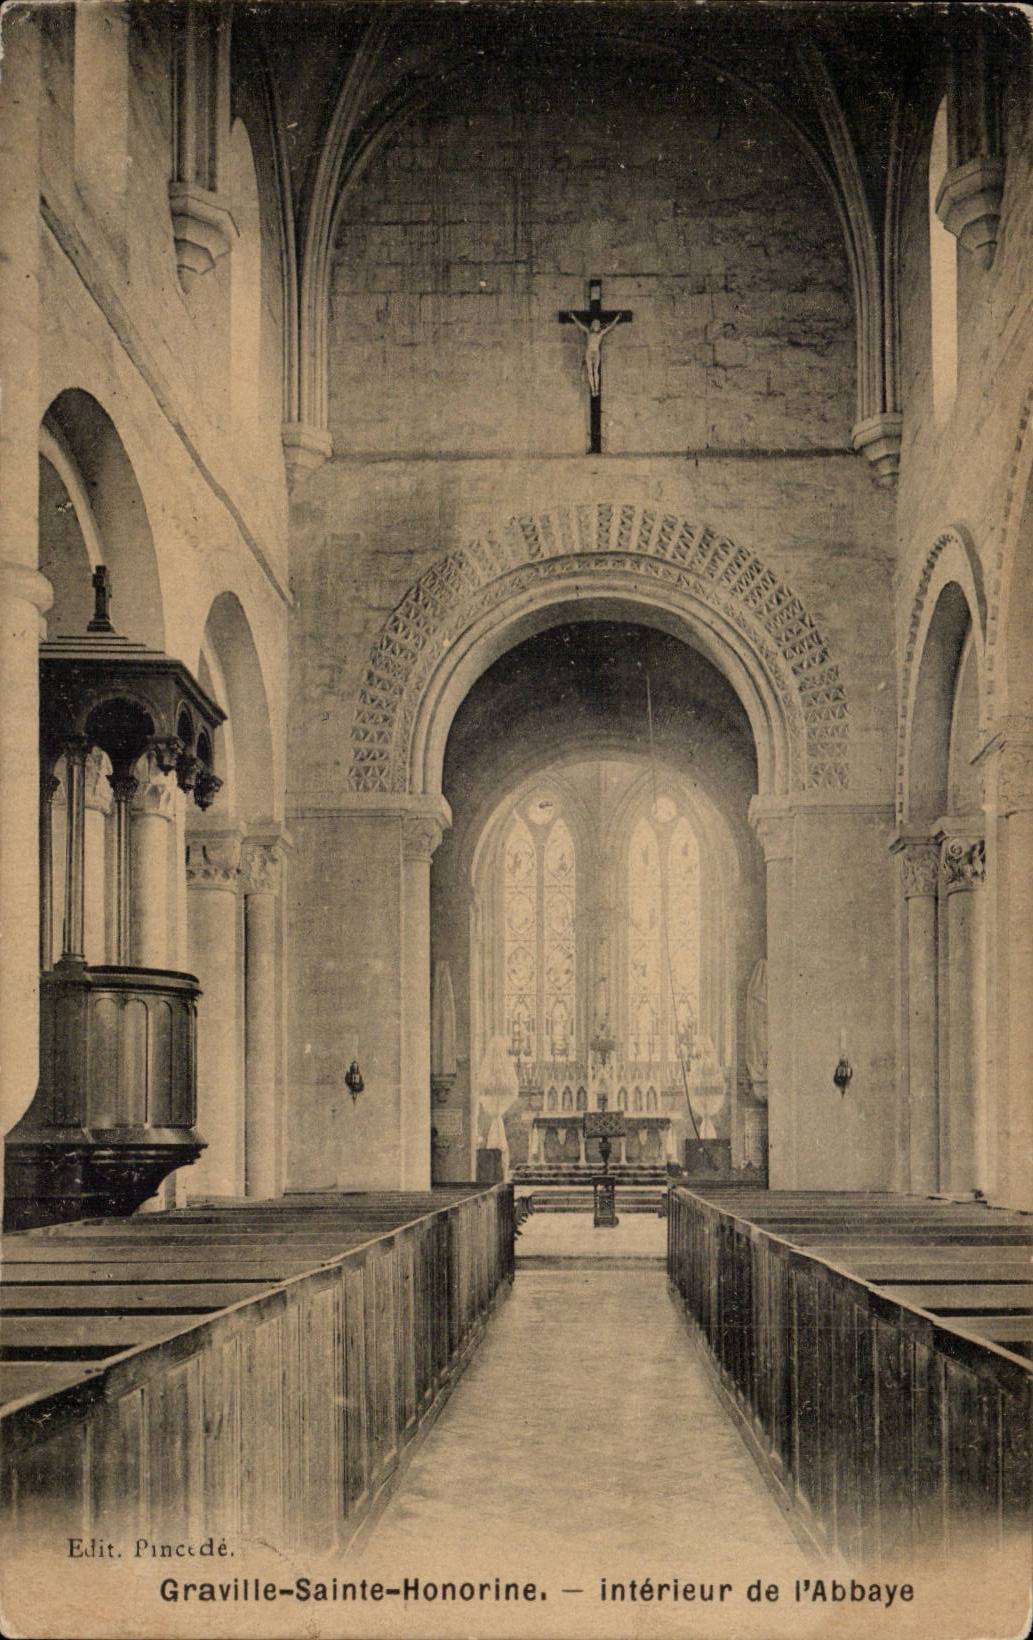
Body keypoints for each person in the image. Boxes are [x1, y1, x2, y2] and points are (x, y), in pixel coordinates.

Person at [568, 311, 621, 395]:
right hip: (589, 352)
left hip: (596, 353)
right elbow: (580, 325)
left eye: (597, 324)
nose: (596, 325)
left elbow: (610, 327)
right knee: (590, 371)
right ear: (592, 325)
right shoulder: (588, 332)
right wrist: (574, 318)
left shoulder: (601, 333)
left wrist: (617, 319)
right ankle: (593, 389)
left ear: (599, 326)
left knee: (596, 371)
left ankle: (596, 388)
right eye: (594, 324)